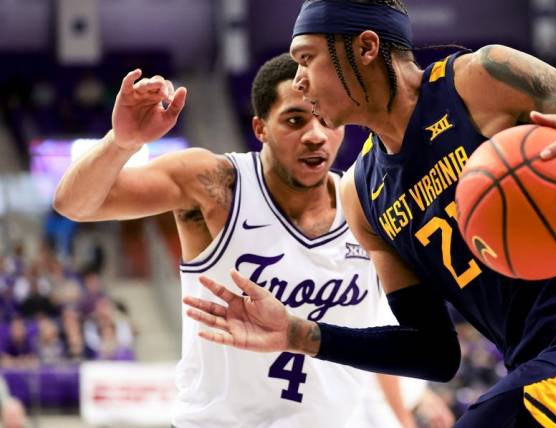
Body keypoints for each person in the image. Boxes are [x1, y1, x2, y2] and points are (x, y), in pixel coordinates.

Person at [184, 0, 556, 427]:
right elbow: (434, 354)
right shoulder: (362, 194)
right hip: (552, 368)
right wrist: (298, 334)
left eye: (307, 58)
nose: (300, 80)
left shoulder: (482, 80)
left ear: (365, 47)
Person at [53, 53, 448, 427]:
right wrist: (122, 144)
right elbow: (75, 204)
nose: (315, 135)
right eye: (294, 121)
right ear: (260, 128)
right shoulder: (217, 184)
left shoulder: (368, 205)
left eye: (325, 120)